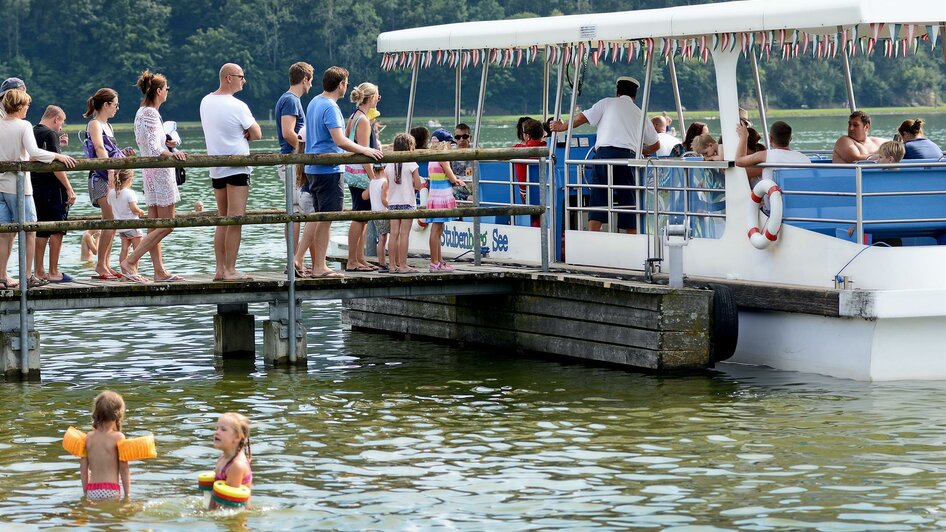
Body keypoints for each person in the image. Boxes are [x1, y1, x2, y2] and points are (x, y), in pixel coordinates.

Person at [294, 66, 383, 278]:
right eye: (346, 83)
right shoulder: (331, 107)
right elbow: (340, 140)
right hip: (328, 170)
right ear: (341, 84)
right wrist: (366, 150)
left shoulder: (315, 101)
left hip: (313, 168)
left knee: (316, 217)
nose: (347, 87)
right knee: (326, 219)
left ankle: (297, 259)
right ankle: (319, 267)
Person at [549, 76, 659, 233]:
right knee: (628, 198)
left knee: (599, 195)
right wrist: (640, 150)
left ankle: (594, 235)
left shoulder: (606, 103)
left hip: (604, 156)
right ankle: (632, 238)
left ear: (617, 91)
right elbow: (655, 145)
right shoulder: (640, 113)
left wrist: (561, 127)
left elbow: (581, 118)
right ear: (635, 95)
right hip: (628, 158)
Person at [0, 90, 76, 289]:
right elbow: (33, 152)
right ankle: (27, 275)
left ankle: (1, 276)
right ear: (18, 106)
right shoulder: (24, 125)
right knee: (30, 229)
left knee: (5, 233)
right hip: (19, 187)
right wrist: (57, 156)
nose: (27, 109)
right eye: (26, 106)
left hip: (1, 186)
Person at [122, 71, 187, 282]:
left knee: (155, 224)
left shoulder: (141, 112)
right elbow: (152, 148)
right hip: (159, 172)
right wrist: (171, 153)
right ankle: (130, 261)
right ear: (159, 91)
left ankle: (159, 270)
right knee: (167, 224)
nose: (168, 92)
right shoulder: (150, 113)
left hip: (149, 172)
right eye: (166, 89)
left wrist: (167, 144)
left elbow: (151, 142)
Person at [200, 63, 262, 282]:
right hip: (236, 166)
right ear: (228, 78)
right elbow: (257, 134)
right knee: (235, 219)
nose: (243, 80)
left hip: (216, 167)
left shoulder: (206, 101)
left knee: (222, 219)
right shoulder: (238, 105)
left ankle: (220, 269)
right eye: (241, 76)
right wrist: (246, 132)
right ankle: (230, 270)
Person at [84, 88, 132, 280]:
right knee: (110, 220)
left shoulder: (108, 126)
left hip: (111, 177)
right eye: (115, 105)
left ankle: (105, 263)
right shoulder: (95, 124)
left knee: (112, 222)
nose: (117, 108)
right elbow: (99, 147)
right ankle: (100, 266)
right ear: (106, 105)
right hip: (100, 177)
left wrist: (122, 153)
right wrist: (111, 169)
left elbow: (111, 149)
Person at [275, 63, 314, 272]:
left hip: (292, 159)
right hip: (292, 159)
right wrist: (305, 154)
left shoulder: (290, 99)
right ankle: (295, 261)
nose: (311, 85)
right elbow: (289, 132)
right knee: (300, 210)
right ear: (305, 79)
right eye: (311, 80)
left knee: (296, 210)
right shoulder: (291, 100)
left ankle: (295, 261)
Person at [32, 105, 76, 283]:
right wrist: (69, 188)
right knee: (57, 229)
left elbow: (44, 155)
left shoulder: (33, 131)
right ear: (56, 119)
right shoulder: (50, 134)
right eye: (62, 123)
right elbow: (57, 166)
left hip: (35, 186)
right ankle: (53, 271)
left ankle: (39, 270)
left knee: (40, 229)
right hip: (52, 187)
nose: (61, 127)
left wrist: (60, 146)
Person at [344, 82, 382, 272]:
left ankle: (360, 258)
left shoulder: (354, 116)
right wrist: (373, 178)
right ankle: (352, 260)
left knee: (363, 217)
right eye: (377, 96)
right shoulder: (364, 121)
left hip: (352, 173)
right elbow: (366, 152)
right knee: (359, 217)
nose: (379, 99)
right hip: (362, 176)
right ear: (371, 97)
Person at [427, 133, 467, 272]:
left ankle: (439, 260)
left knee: (438, 229)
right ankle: (434, 262)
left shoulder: (431, 156)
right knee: (436, 230)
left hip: (434, 195)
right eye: (451, 143)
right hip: (441, 196)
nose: (452, 146)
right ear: (445, 143)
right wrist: (458, 181)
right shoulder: (443, 157)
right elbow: (451, 177)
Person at [81, 391, 131, 501]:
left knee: (95, 517)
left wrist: (86, 492)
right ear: (117, 415)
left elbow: (83, 467)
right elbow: (124, 468)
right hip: (111, 489)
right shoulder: (118, 437)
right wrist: (127, 496)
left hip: (92, 490)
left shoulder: (88, 437)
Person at [385, 133, 422, 274]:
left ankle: (392, 265)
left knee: (393, 234)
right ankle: (403, 265)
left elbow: (388, 184)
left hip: (393, 202)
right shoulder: (411, 163)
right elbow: (418, 185)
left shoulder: (389, 163)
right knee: (404, 234)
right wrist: (412, 184)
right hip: (408, 202)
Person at [736, 120, 809, 186]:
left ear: (770, 138)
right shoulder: (805, 159)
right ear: (790, 139)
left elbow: (739, 161)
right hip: (800, 198)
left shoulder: (765, 155)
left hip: (774, 199)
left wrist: (744, 136)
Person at [210, 412, 253, 510]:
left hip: (236, 520)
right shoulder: (223, 458)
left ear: (237, 437)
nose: (217, 432)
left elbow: (229, 505)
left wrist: (207, 514)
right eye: (216, 428)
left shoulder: (237, 466)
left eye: (223, 429)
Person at [108, 169, 145, 277]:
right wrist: (141, 211)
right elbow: (134, 209)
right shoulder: (130, 193)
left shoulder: (111, 193)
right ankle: (134, 272)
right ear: (129, 180)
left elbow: (111, 205)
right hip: (133, 226)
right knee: (137, 251)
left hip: (121, 227)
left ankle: (125, 275)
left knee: (124, 250)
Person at [513, 118, 546, 204]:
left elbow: (501, 156)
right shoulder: (548, 148)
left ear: (527, 136)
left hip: (527, 196)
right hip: (547, 193)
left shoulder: (518, 150)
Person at [363, 166, 390, 272]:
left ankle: (382, 262)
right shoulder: (384, 182)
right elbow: (384, 200)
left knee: (381, 238)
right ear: (384, 169)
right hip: (383, 212)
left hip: (374, 212)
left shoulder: (372, 182)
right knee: (384, 239)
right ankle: (383, 263)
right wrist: (392, 206)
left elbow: (364, 196)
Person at [450, 123, 473, 200]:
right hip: (456, 185)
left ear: (470, 137)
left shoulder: (476, 150)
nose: (461, 139)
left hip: (472, 184)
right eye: (458, 137)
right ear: (455, 139)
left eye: (465, 136)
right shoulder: (449, 151)